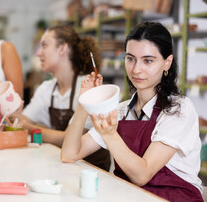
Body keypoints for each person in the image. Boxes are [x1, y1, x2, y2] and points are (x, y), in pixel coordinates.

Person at [61, 22, 203, 201]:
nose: (136, 69)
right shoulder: (121, 110)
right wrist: (84, 103)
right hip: (130, 196)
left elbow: (142, 175)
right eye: (130, 58)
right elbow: (69, 154)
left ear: (167, 62)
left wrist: (110, 135)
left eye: (148, 61)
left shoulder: (179, 109)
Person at [16, 25, 110, 171]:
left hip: (92, 172)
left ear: (62, 49)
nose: (38, 53)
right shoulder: (47, 88)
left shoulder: (88, 87)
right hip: (64, 166)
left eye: (44, 45)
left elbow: (67, 139)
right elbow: (21, 119)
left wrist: (29, 128)